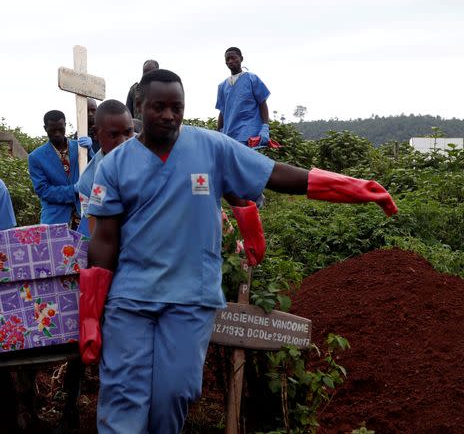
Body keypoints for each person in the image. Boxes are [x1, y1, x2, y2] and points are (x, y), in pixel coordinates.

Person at [79, 70, 397, 434]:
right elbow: (103, 241)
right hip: (131, 300)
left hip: (189, 299)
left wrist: (353, 187)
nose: (169, 115)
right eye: (158, 107)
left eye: (176, 107)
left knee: (175, 394)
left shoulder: (212, 148)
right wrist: (90, 313)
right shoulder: (115, 165)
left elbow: (274, 174)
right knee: (123, 399)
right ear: (140, 106)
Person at [75, 100, 135, 236]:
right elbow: (97, 233)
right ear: (96, 133)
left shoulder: (152, 151)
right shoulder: (88, 182)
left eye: (128, 133)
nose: (123, 142)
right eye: (113, 135)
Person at [28, 110, 81, 227]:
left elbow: (95, 171)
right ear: (45, 128)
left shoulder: (81, 148)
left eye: (61, 129)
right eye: (53, 130)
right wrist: (73, 190)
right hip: (55, 219)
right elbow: (43, 190)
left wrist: (91, 150)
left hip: (84, 216)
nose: (57, 133)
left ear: (65, 126)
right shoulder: (35, 157)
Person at [216, 47, 271, 147]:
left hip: (249, 134)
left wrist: (265, 127)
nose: (230, 61)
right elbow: (222, 111)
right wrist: (218, 133)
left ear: (241, 58)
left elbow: (262, 103)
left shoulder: (252, 79)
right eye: (227, 59)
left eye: (233, 58)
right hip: (229, 135)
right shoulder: (222, 86)